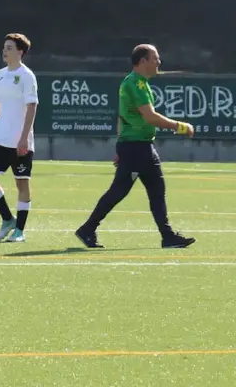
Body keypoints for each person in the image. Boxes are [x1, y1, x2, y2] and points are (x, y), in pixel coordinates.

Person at [74, 44, 196, 249]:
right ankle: (87, 229)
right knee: (119, 191)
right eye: (155, 58)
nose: (159, 62)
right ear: (142, 62)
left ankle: (167, 236)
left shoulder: (137, 82)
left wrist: (119, 145)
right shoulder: (135, 84)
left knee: (157, 190)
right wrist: (180, 127)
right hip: (136, 148)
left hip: (141, 146)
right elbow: (150, 117)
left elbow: (122, 118)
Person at [0, 34, 38, 243]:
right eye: (4, 47)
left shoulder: (27, 75)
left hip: (20, 140)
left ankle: (20, 229)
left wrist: (24, 139)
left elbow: (32, 106)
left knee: (22, 183)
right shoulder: (0, 75)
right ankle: (7, 219)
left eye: (9, 48)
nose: (5, 51)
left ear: (20, 52)